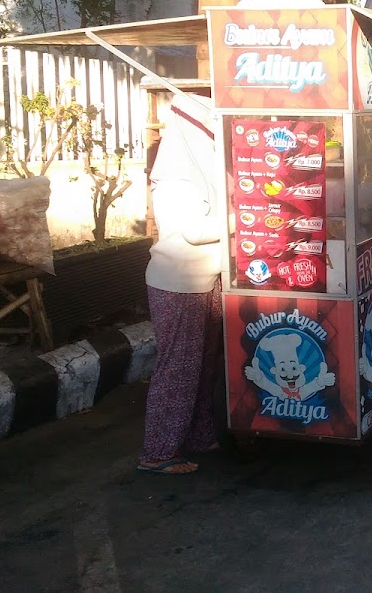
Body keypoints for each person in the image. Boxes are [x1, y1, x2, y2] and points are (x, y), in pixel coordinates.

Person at [138, 93, 226, 475]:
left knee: (205, 365)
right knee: (179, 367)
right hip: (179, 284)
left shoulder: (202, 173)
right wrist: (243, 221)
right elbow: (193, 231)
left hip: (208, 280)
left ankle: (199, 435)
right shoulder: (175, 178)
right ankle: (158, 452)